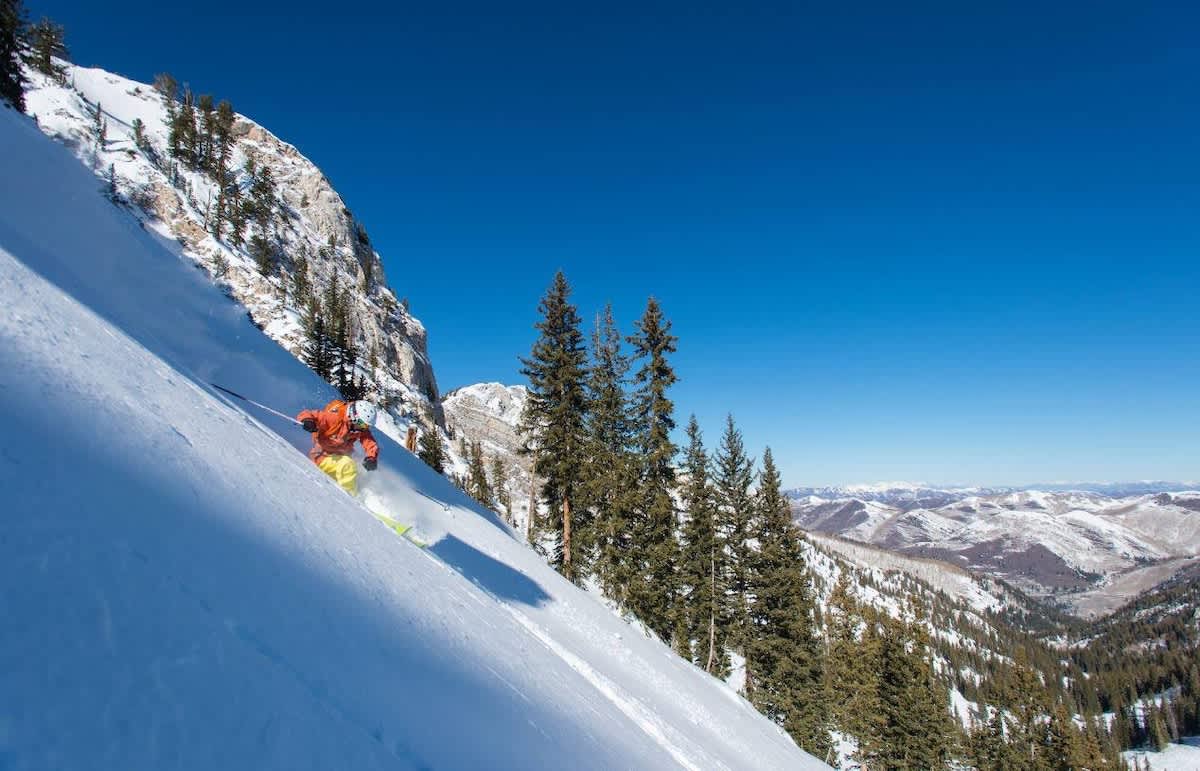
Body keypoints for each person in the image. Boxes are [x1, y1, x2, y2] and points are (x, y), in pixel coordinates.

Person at [297, 399, 379, 496]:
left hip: (340, 456)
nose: (363, 428)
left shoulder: (358, 428)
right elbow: (309, 414)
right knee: (348, 465)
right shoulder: (334, 418)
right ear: (353, 416)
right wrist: (307, 420)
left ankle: (368, 496)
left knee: (360, 471)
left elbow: (368, 441)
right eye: (362, 424)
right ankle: (350, 497)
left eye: (366, 426)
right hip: (321, 456)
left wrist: (371, 457)